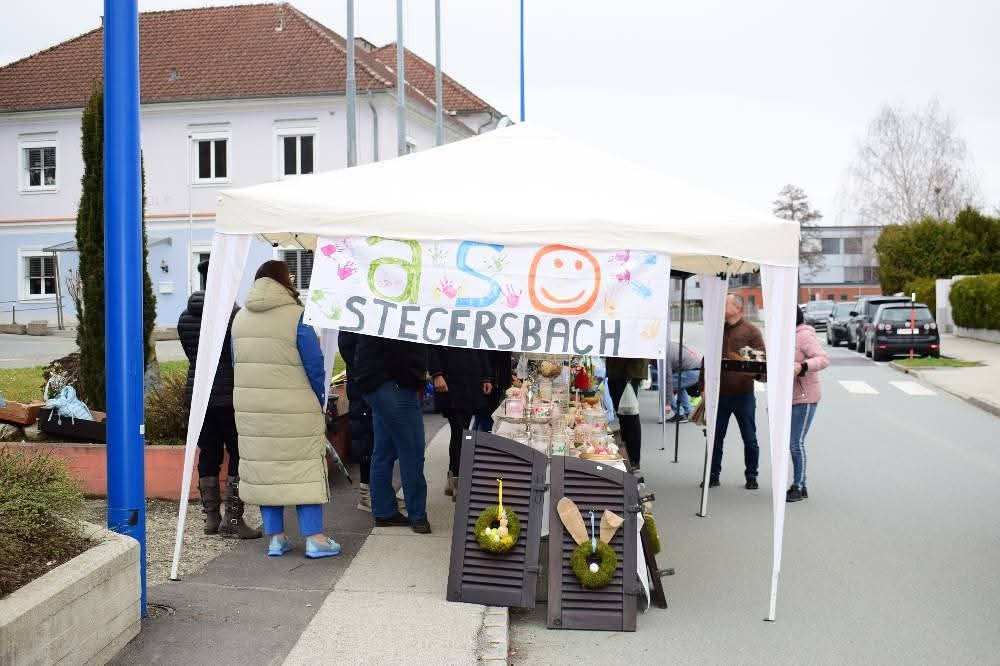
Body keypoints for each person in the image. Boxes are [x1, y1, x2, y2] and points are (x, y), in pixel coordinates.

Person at [231, 260, 340, 559]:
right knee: (304, 469)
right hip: (296, 409)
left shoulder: (240, 319)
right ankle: (315, 538)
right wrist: (319, 399)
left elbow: (237, 364)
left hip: (253, 410)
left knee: (266, 471)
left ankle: (276, 538)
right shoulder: (297, 316)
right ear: (284, 281)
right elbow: (314, 365)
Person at [177, 260, 261, 539]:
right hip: (230, 395)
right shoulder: (235, 315)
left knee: (209, 453)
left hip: (199, 395)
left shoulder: (185, 317)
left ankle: (211, 518)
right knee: (238, 452)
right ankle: (233, 519)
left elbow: (192, 355)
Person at [353, 334, 431, 534]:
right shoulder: (398, 317)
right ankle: (417, 515)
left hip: (374, 382)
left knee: (384, 450)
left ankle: (384, 511)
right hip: (395, 383)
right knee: (412, 450)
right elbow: (399, 350)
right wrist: (413, 378)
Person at [708, 294, 766, 490]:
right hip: (720, 393)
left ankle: (752, 476)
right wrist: (703, 386)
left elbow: (762, 360)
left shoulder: (751, 331)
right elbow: (708, 359)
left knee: (749, 438)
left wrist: (748, 369)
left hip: (743, 394)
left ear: (737, 307)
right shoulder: (717, 330)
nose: (722, 306)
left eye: (725, 303)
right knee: (715, 437)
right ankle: (712, 475)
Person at [429, 347, 493, 499]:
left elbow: (481, 345)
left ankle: (453, 478)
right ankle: (457, 479)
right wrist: (436, 373)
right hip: (450, 378)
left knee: (459, 431)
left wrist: (486, 377)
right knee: (459, 430)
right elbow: (432, 346)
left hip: (470, 379)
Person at [788, 306, 829, 502]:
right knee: (790, 443)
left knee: (795, 443)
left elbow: (823, 359)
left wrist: (803, 366)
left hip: (805, 397)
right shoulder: (781, 337)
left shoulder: (804, 336)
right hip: (785, 398)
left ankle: (798, 486)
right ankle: (801, 485)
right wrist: (759, 373)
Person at [338, 330, 375, 513]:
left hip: (367, 383)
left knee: (374, 440)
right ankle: (366, 494)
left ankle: (378, 491)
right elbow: (348, 348)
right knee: (366, 439)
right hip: (363, 385)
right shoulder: (352, 326)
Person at [604, 357, 649, 470]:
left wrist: (629, 374)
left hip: (627, 372)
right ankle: (628, 455)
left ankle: (633, 459)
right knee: (624, 416)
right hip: (618, 370)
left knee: (629, 416)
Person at [473, 351, 513, 433]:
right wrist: (487, 379)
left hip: (494, 382)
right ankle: (477, 439)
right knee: (486, 418)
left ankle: (472, 438)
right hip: (491, 383)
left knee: (481, 418)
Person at [663, 341, 703, 423]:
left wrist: (667, 403)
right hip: (698, 369)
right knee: (680, 385)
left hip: (692, 371)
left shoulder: (664, 354)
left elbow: (668, 380)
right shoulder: (669, 344)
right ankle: (688, 412)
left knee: (664, 385)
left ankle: (680, 414)